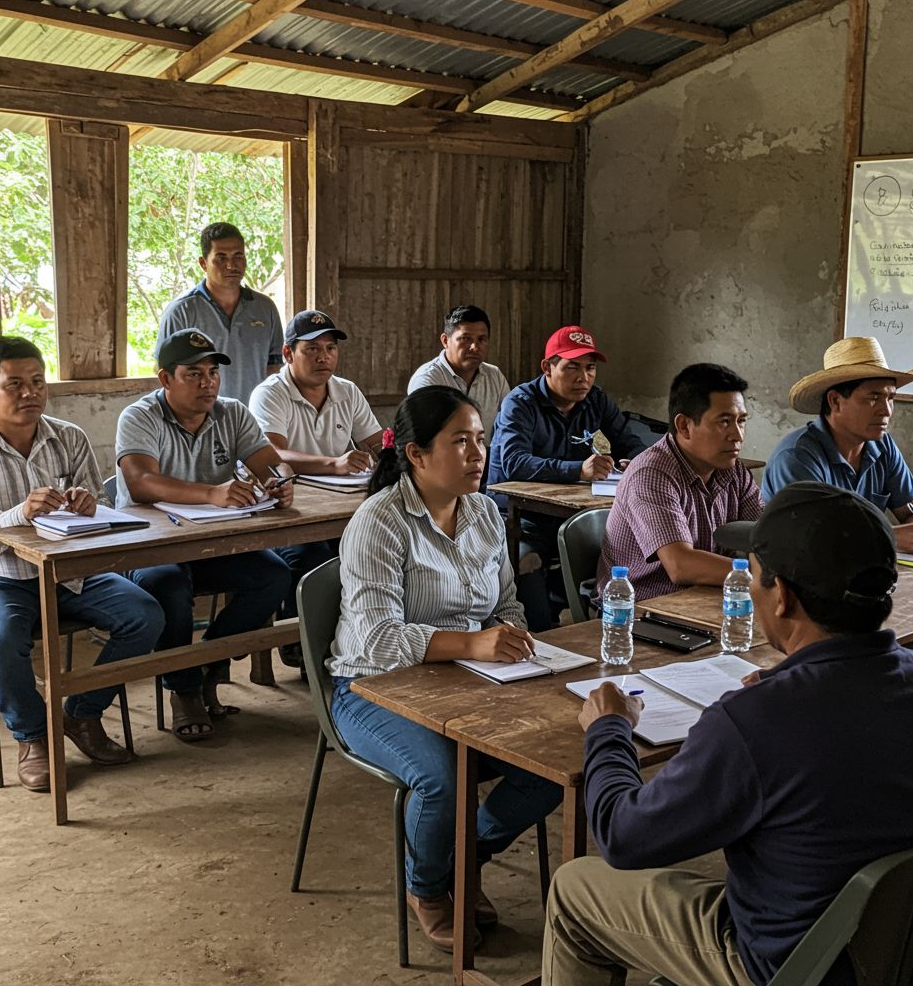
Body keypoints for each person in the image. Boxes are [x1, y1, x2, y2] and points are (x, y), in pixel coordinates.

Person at [542, 482, 913, 986]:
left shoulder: (757, 721)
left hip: (793, 967)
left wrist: (608, 728)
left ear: (783, 598)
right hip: (904, 956)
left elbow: (624, 838)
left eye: (752, 577)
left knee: (577, 888)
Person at [328, 385, 562, 954]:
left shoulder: (482, 511)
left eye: (481, 440)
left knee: (557, 753)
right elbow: (378, 640)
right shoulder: (379, 523)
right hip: (371, 686)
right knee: (443, 777)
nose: (477, 454)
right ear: (415, 453)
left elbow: (505, 602)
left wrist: (509, 635)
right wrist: (473, 644)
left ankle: (465, 855)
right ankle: (428, 887)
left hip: (467, 677)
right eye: (460, 442)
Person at [0, 336, 164, 792]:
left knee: (145, 615)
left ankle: (82, 714)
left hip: (70, 573)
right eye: (13, 384)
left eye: (37, 382)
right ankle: (34, 735)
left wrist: (87, 503)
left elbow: (102, 501)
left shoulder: (67, 437)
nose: (29, 393)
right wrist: (20, 513)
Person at [115, 328, 293, 741]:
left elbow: (271, 462)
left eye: (213, 372)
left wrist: (280, 483)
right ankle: (185, 690)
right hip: (148, 547)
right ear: (165, 379)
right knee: (168, 583)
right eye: (193, 374)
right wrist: (212, 493)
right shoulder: (139, 416)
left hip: (211, 542)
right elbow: (141, 482)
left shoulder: (231, 412)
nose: (208, 382)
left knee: (273, 575)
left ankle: (209, 661)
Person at [487, 325, 644, 629]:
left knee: (625, 545)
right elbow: (514, 463)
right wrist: (577, 470)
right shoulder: (520, 403)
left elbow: (631, 441)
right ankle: (544, 634)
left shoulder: (595, 400)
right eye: (572, 367)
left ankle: (603, 625)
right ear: (548, 367)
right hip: (517, 517)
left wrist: (633, 462)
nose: (583, 377)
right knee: (527, 560)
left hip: (568, 512)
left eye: (590, 368)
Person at [249, 309, 383, 655]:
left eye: (330, 348)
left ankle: (354, 639)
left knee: (365, 547)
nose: (324, 357)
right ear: (288, 354)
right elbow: (272, 452)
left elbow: (376, 442)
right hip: (285, 509)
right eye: (312, 349)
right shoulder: (271, 393)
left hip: (337, 506)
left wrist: (400, 453)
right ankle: (303, 646)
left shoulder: (346, 392)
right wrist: (334, 464)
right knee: (312, 557)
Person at [598, 363, 762, 601]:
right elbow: (680, 565)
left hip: (702, 597)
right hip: (639, 610)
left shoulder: (734, 470)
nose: (737, 435)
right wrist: (767, 575)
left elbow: (764, 537)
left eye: (742, 421)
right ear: (684, 426)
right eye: (724, 422)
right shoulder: (650, 473)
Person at [763, 337, 913, 555]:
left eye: (891, 398)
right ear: (835, 401)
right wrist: (888, 536)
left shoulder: (883, 446)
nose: (886, 411)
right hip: (798, 576)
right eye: (873, 398)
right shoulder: (798, 456)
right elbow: (812, 538)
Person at [154, 222, 283, 405]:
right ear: (203, 263)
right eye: (221, 258)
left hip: (255, 419)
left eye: (238, 256)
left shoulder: (265, 308)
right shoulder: (181, 312)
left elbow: (275, 369)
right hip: (200, 421)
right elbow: (165, 373)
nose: (231, 265)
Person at [407, 305, 510, 445]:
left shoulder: (495, 376)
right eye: (465, 339)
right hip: (443, 462)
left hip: (486, 460)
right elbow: (425, 439)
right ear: (445, 340)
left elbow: (510, 425)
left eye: (481, 339)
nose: (474, 346)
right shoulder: (428, 380)